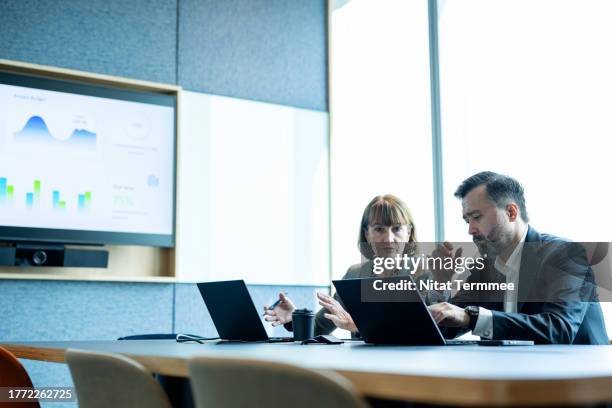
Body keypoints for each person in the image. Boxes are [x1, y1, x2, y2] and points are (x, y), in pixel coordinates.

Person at [427, 171, 608, 344]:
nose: (470, 230)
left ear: (511, 212)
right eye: (468, 221)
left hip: (576, 373)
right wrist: (440, 285)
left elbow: (560, 329)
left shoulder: (566, 254)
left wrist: (471, 317)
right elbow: (444, 329)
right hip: (511, 373)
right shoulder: (484, 268)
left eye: (477, 217)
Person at [264, 194, 419, 336]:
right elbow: (318, 329)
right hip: (364, 365)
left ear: (408, 232)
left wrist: (359, 325)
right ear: (367, 234)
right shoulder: (354, 274)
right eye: (379, 229)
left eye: (397, 228)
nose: (389, 238)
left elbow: (434, 334)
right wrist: (295, 317)